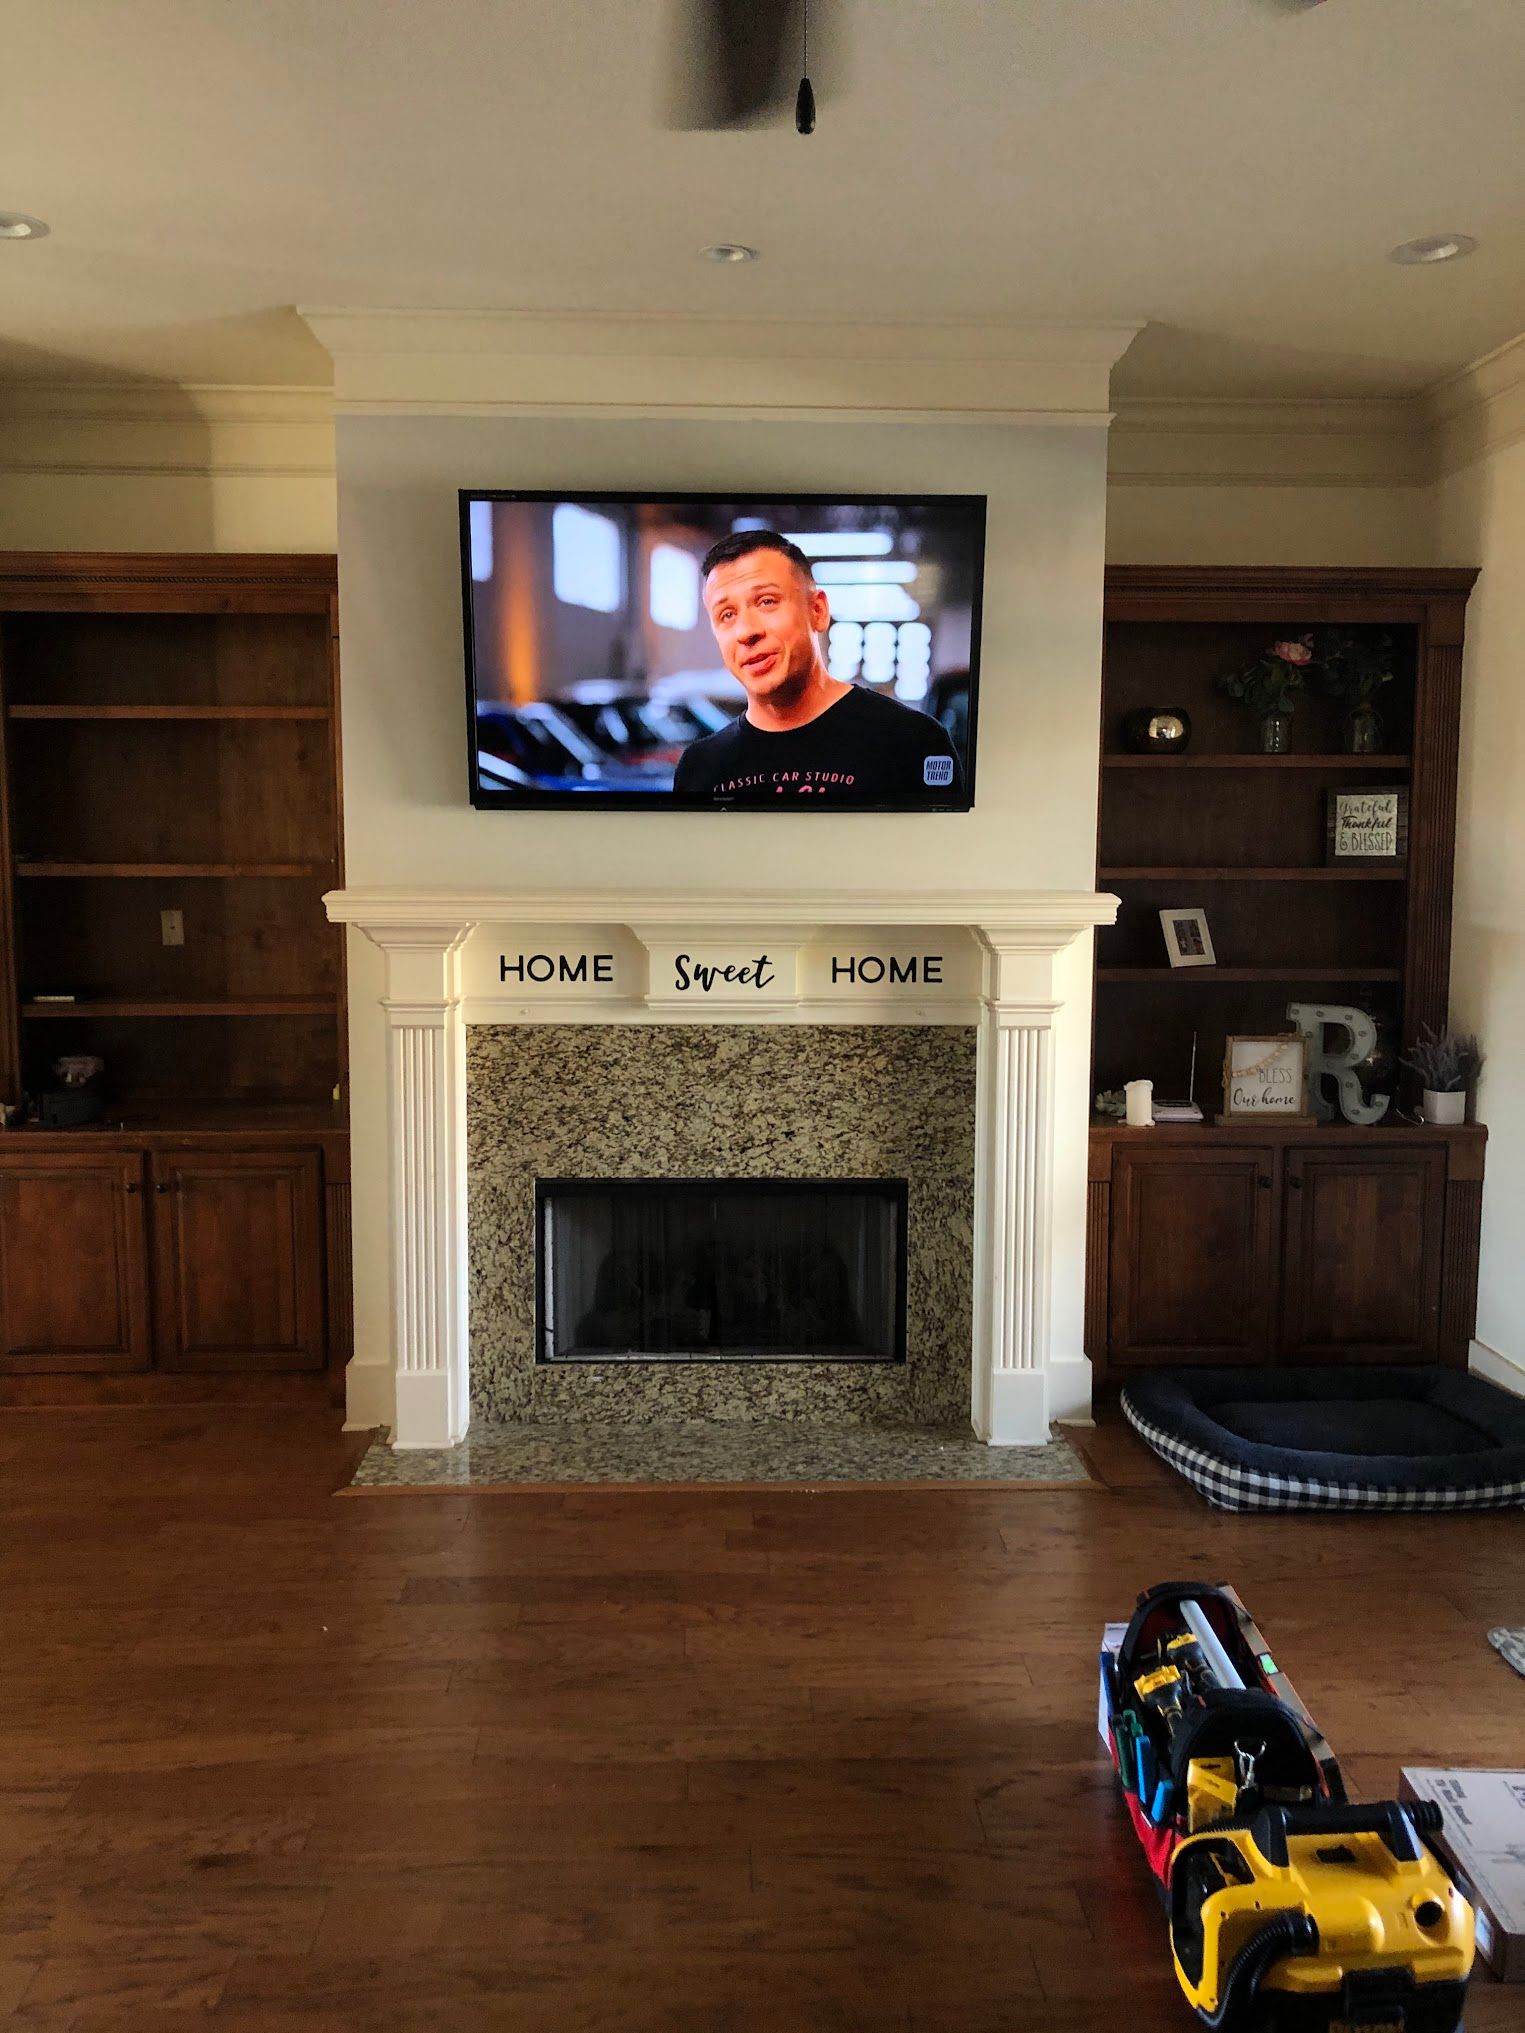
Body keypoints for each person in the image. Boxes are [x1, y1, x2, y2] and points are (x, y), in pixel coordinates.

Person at [673, 530, 963, 802]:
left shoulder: (914, 743)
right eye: (726, 615)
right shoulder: (700, 768)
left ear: (818, 611)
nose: (746, 631)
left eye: (766, 601)